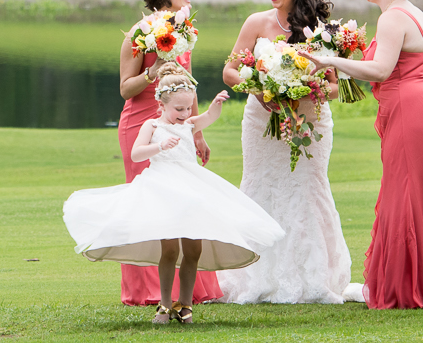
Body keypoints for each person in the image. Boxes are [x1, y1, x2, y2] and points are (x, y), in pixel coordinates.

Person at [65, 65, 285, 325]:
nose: (184, 114)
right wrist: (159, 146)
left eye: (188, 108)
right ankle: (164, 304)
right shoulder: (152, 125)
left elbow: (208, 118)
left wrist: (215, 104)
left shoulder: (189, 124)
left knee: (193, 250)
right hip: (164, 189)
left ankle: (186, 304)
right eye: (178, 109)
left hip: (191, 189)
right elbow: (136, 154)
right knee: (169, 250)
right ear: (161, 103)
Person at [311, 0, 423, 310]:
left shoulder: (394, 17)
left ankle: (401, 287)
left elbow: (379, 70)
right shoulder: (414, 12)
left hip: (413, 109)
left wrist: (332, 61)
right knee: (422, 193)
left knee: (405, 192)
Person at [218, 0, 361, 304]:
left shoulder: (323, 31)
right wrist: (261, 90)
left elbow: (332, 87)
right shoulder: (256, 23)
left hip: (310, 122)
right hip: (260, 120)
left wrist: (305, 93)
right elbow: (230, 71)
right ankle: (254, 277)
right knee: (260, 187)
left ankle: (314, 277)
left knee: (307, 191)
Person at [113, 0, 224, 308]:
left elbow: (187, 87)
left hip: (178, 125)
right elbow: (125, 88)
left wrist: (197, 131)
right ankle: (148, 291)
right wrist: (151, 72)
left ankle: (190, 290)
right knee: (150, 204)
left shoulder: (185, 31)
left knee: (185, 200)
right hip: (142, 123)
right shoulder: (139, 33)